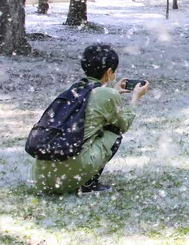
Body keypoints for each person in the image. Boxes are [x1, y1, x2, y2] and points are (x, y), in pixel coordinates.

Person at [32, 44, 148, 194]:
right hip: (67, 177)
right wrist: (135, 98)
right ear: (109, 72)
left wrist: (113, 91)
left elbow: (93, 104)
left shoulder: (74, 89)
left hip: (41, 178)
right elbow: (123, 124)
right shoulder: (107, 95)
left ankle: (63, 175)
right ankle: (89, 185)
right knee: (114, 132)